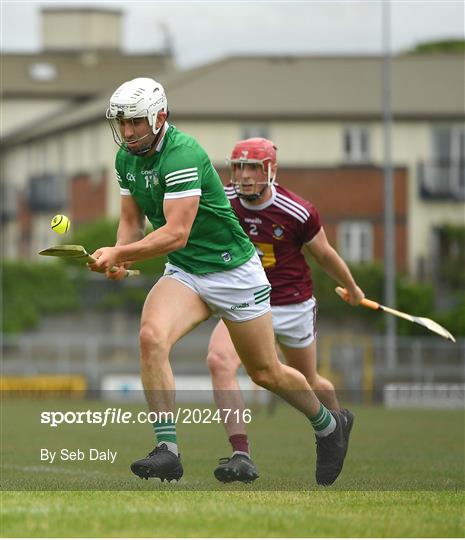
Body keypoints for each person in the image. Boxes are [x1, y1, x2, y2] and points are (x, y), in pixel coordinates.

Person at [89, 77, 362, 486]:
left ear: (160, 117)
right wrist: (117, 252)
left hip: (233, 272)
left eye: (136, 122)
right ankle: (168, 450)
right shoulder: (126, 159)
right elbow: (131, 222)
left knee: (266, 372)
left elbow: (175, 232)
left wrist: (121, 254)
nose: (127, 132)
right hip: (185, 271)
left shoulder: (182, 154)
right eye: (122, 123)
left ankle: (328, 424)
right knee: (151, 337)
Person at [207, 137, 365, 483]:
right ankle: (240, 454)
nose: (244, 176)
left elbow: (324, 254)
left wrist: (352, 287)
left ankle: (335, 425)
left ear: (271, 171)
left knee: (306, 380)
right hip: (245, 300)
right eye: (238, 167)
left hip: (290, 303)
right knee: (220, 361)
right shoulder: (221, 199)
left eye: (252, 168)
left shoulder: (298, 211)